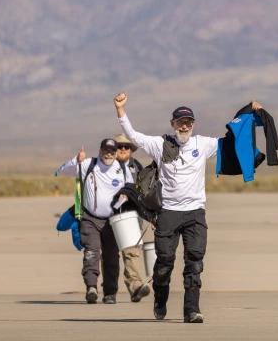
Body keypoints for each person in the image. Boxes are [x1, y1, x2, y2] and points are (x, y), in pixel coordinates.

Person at [114, 91, 263, 323]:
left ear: (193, 124)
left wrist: (247, 112)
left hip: (195, 212)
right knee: (164, 262)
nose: (184, 126)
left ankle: (191, 310)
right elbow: (133, 136)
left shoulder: (202, 144)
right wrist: (120, 110)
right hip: (168, 213)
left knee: (195, 261)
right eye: (180, 122)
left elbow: (233, 138)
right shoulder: (159, 145)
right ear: (172, 123)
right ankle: (160, 299)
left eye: (188, 122)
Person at [57, 138, 128, 304]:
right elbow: (66, 170)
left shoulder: (122, 168)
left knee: (111, 257)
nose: (108, 154)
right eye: (105, 150)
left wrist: (128, 198)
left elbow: (132, 190)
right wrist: (77, 160)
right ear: (100, 151)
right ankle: (91, 287)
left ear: (116, 153)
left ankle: (110, 293)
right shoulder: (89, 164)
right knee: (92, 252)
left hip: (113, 221)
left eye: (112, 151)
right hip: (90, 218)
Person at [113, 132, 153, 303]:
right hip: (109, 215)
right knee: (108, 256)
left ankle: (136, 286)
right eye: (119, 146)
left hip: (130, 217)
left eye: (126, 146)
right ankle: (104, 289)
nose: (123, 149)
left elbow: (145, 192)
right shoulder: (105, 166)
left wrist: (152, 216)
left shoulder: (137, 166)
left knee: (131, 252)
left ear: (131, 149)